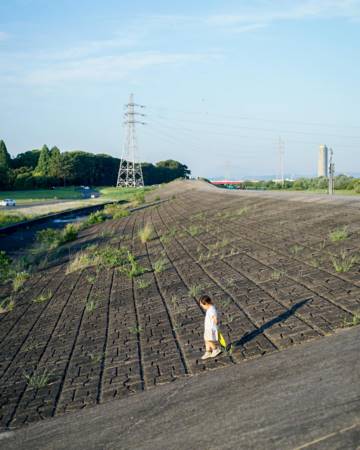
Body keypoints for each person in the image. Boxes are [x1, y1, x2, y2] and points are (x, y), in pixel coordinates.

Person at [199, 295, 222, 360]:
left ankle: (215, 349)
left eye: (202, 305)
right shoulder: (210, 308)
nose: (202, 307)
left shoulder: (212, 309)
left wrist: (216, 323)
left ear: (206, 303)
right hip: (208, 328)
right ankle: (208, 351)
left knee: (208, 340)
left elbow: (215, 317)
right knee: (206, 340)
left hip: (211, 328)